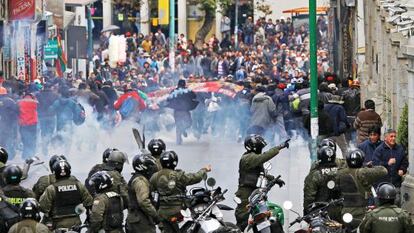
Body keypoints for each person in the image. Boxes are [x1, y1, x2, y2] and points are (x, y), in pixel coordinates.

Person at [235, 135, 289, 231]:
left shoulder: (254, 158)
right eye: (260, 147)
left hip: (257, 193)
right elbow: (264, 157)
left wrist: (274, 179)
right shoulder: (248, 158)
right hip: (245, 194)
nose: (261, 149)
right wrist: (279, 147)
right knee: (242, 223)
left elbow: (260, 173)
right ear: (253, 147)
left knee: (263, 217)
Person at [150, 151, 211, 233]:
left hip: (162, 212)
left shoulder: (154, 177)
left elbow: (151, 193)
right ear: (174, 162)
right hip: (178, 211)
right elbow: (195, 177)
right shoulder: (178, 175)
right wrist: (204, 170)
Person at [337, 149, 387, 230]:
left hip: (344, 212)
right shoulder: (363, 172)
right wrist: (367, 166)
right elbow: (383, 170)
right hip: (361, 213)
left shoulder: (340, 172)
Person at [39, 160, 93, 229]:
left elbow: (43, 207)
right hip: (76, 224)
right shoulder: (79, 185)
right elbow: (89, 203)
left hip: (57, 225)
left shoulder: (51, 189)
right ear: (69, 171)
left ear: (55, 172)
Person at [303, 146, 342, 221]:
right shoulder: (342, 172)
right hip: (340, 212)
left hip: (319, 212)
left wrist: (306, 213)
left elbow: (309, 198)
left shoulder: (314, 175)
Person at [373, 129, 408, 206]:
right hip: (382, 184)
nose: (393, 138)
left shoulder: (400, 149)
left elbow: (405, 162)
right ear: (385, 138)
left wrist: (402, 169)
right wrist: (387, 163)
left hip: (396, 183)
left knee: (397, 202)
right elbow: (375, 164)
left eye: (395, 136)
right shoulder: (379, 150)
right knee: (381, 206)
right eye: (391, 136)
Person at [127, 154, 160, 233]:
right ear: (142, 167)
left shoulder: (140, 178)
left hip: (139, 218)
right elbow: (143, 201)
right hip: (141, 220)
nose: (153, 168)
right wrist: (155, 215)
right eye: (150, 166)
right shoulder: (140, 181)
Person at [36, 83, 59, 156]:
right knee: (50, 131)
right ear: (51, 87)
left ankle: (44, 144)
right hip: (51, 116)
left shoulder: (38, 94)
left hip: (42, 116)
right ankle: (46, 143)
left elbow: (37, 105)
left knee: (43, 131)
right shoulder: (55, 95)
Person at [17, 93, 38, 159]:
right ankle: (32, 154)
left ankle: (25, 155)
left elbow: (17, 112)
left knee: (25, 140)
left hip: (23, 124)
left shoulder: (20, 103)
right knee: (33, 139)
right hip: (33, 124)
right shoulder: (34, 103)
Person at [0, 89, 19, 160]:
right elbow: (17, 111)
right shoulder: (10, 101)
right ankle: (10, 156)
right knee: (9, 139)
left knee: (1, 141)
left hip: (2, 124)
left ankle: (1, 156)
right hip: (9, 124)